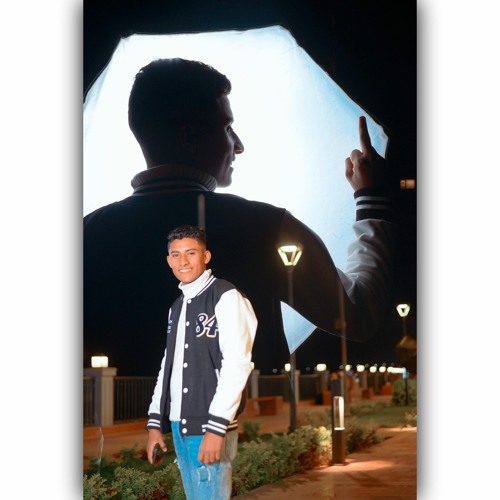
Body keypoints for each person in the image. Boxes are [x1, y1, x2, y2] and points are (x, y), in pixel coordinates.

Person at [84, 57, 395, 375]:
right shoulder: (267, 228)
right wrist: (371, 199)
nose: (239, 145)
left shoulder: (86, 235)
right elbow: (358, 315)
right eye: (227, 127)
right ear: (188, 137)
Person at [146, 225, 257, 499]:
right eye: (176, 255)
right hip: (179, 425)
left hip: (209, 425)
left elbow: (237, 364)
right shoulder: (177, 306)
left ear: (205, 256)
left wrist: (216, 427)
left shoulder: (226, 296)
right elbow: (168, 366)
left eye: (191, 253)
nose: (183, 261)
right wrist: (155, 423)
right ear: (168, 260)